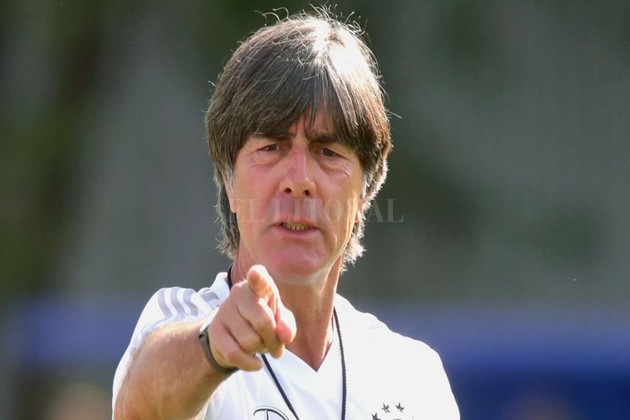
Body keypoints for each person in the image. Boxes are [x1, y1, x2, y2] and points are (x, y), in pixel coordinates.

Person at [112, 8, 459, 420]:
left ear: (366, 191)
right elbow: (143, 403)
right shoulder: (187, 327)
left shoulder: (413, 377)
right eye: (271, 148)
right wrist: (214, 348)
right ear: (229, 181)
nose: (299, 180)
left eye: (327, 152)